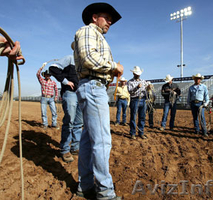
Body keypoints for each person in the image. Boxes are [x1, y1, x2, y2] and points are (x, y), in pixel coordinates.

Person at [73, 3, 123, 200]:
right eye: (107, 18)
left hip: (92, 86)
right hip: (93, 87)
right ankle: (105, 192)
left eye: (111, 20)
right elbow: (88, 58)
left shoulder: (95, 36)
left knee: (87, 140)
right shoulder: (87, 30)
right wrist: (114, 66)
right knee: (102, 141)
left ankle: (85, 185)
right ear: (95, 17)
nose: (110, 22)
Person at [49, 54, 83, 163]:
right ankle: (65, 149)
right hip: (70, 93)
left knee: (79, 122)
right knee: (69, 121)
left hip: (81, 94)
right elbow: (53, 68)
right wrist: (65, 82)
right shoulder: (69, 58)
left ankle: (75, 147)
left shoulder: (86, 63)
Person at [127, 66, 151, 140]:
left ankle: (141, 132)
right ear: (134, 73)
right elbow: (130, 91)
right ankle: (133, 133)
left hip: (143, 100)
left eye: (139, 73)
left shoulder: (143, 81)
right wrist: (137, 87)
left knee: (142, 117)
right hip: (135, 100)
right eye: (137, 73)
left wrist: (148, 88)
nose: (138, 75)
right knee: (133, 117)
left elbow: (146, 90)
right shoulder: (130, 82)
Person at [36, 64, 59, 130]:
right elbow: (37, 74)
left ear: (50, 75)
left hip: (51, 98)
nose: (47, 76)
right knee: (43, 112)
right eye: (46, 75)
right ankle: (45, 124)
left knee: (54, 111)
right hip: (44, 98)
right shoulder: (42, 81)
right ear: (45, 75)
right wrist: (42, 67)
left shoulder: (53, 82)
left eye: (48, 75)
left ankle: (54, 124)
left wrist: (56, 97)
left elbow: (56, 90)